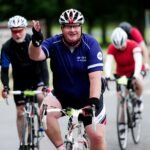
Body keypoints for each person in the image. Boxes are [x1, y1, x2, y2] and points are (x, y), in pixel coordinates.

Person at [28, 8, 106, 150]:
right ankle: (61, 147)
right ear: (62, 28)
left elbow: (95, 77)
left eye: (75, 26)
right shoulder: (54, 43)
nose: (72, 30)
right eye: (68, 26)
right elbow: (35, 56)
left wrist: (93, 102)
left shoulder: (91, 44)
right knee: (44, 112)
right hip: (63, 94)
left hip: (89, 96)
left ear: (81, 27)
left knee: (97, 137)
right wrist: (36, 41)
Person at [0, 15, 49, 149]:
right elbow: (4, 70)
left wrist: (45, 85)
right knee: (20, 112)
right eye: (14, 31)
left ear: (25, 29)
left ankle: (41, 120)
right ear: (10, 31)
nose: (17, 34)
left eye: (20, 30)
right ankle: (22, 142)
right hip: (20, 81)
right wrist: (5, 87)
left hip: (37, 78)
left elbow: (44, 66)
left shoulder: (33, 42)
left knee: (40, 96)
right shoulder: (6, 47)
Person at [104, 27, 144, 113]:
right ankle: (122, 124)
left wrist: (136, 75)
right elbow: (108, 62)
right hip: (122, 74)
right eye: (118, 47)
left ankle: (139, 99)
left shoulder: (134, 45)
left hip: (134, 71)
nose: (120, 49)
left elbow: (138, 61)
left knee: (139, 80)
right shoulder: (112, 48)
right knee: (121, 98)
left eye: (122, 46)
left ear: (126, 40)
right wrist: (107, 75)